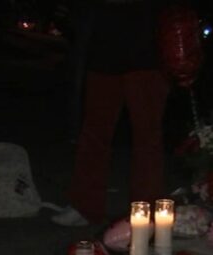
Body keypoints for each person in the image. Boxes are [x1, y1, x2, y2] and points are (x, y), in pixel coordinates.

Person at [58, 0, 169, 226]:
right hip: (104, 49)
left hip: (147, 53)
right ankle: (85, 206)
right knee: (94, 133)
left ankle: (145, 212)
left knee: (147, 137)